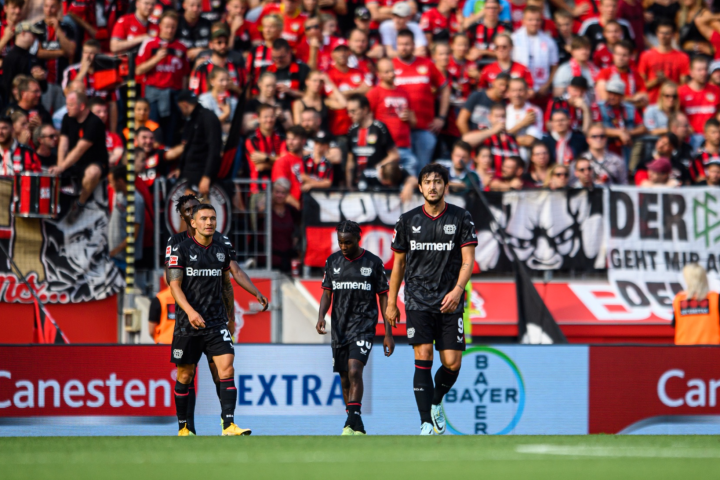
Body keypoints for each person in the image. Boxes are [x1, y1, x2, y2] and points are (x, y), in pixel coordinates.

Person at [386, 163, 477, 436]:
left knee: (452, 363)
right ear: (421, 187)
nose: (433, 186)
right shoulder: (407, 220)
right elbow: (398, 265)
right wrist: (391, 302)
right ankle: (425, 422)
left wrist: (458, 290)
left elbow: (468, 260)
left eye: (438, 181)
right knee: (423, 355)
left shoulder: (461, 218)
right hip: (417, 299)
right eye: (428, 182)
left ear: (445, 186)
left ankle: (436, 402)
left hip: (450, 299)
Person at [167, 203, 250, 436]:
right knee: (185, 375)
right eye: (203, 218)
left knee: (227, 369)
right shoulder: (180, 250)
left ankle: (229, 425)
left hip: (215, 323)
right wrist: (191, 312)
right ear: (193, 223)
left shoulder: (221, 250)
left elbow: (226, 285)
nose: (209, 222)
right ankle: (184, 428)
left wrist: (230, 316)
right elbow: (174, 286)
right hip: (187, 324)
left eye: (212, 218)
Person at [317, 221, 393, 435]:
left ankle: (350, 421)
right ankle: (355, 424)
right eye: (340, 242)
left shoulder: (373, 262)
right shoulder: (332, 261)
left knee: (354, 370)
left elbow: (384, 298)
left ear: (358, 239)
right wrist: (321, 316)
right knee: (343, 376)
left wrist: (388, 333)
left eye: (348, 242)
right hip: (339, 327)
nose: (343, 246)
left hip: (364, 325)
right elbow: (327, 293)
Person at [393, 28, 449, 172]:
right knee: (402, 171)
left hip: (425, 128)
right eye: (400, 44)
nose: (403, 47)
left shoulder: (428, 64)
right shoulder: (391, 66)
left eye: (407, 44)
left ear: (413, 45)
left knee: (422, 171)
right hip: (399, 131)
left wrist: (441, 117)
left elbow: (445, 88)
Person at [50, 91, 108, 223]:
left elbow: (80, 149)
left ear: (81, 106)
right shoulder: (67, 118)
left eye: (70, 105)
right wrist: (60, 166)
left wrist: (62, 166)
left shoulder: (95, 122)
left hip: (94, 161)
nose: (67, 108)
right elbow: (63, 143)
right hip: (74, 163)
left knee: (93, 172)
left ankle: (80, 204)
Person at [137, 11, 189, 148]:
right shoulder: (149, 44)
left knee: (170, 135)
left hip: (174, 96)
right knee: (152, 133)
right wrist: (156, 59)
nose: (170, 30)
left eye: (173, 27)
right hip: (153, 96)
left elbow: (185, 76)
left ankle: (166, 165)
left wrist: (184, 97)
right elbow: (138, 70)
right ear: (160, 26)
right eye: (166, 26)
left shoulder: (181, 48)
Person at [366, 58, 416, 173]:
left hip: (404, 145)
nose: (391, 74)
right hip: (385, 148)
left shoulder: (404, 92)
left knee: (409, 175)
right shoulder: (374, 93)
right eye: (387, 72)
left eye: (393, 71)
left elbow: (414, 122)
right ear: (379, 74)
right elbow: (368, 120)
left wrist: (410, 118)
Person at [172, 90, 225, 199]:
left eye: (180, 108)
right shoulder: (191, 120)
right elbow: (188, 147)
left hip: (200, 174)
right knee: (186, 213)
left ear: (184, 104)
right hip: (189, 174)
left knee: (193, 211)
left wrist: (207, 176)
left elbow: (214, 149)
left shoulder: (208, 118)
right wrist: (180, 167)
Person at [61, 40, 119, 132]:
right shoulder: (71, 71)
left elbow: (113, 104)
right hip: (78, 124)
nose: (87, 56)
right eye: (85, 52)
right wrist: (83, 71)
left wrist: (113, 132)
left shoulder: (107, 72)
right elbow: (67, 94)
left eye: (92, 53)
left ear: (99, 55)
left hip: (100, 125)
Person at [346, 93, 399, 189]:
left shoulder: (380, 128)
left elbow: (394, 155)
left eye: (353, 111)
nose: (350, 115)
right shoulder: (351, 130)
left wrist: (377, 167)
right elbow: (350, 161)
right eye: (348, 111)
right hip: (358, 184)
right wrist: (349, 186)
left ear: (365, 109)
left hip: (378, 183)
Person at [637, 19, 690, 105]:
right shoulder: (646, 55)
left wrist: (666, 80)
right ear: (657, 33)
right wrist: (656, 81)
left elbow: (684, 88)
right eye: (661, 32)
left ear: (673, 35)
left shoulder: (683, 57)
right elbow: (640, 86)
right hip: (651, 103)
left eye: (667, 33)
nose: (663, 36)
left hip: (673, 104)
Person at [511, 6, 558, 99]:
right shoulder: (514, 39)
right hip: (518, 92)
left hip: (541, 90)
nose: (534, 23)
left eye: (537, 20)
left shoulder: (549, 41)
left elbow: (554, 66)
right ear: (523, 20)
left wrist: (547, 85)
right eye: (530, 20)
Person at [190, 25, 245, 97]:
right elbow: (192, 93)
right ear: (211, 45)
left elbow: (246, 96)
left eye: (226, 42)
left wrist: (233, 87)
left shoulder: (237, 67)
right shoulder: (201, 68)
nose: (223, 46)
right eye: (219, 42)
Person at [597, 77, 647, 156]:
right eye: (610, 93)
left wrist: (628, 132)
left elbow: (643, 128)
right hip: (606, 145)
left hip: (626, 145)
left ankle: (632, 168)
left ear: (622, 96)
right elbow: (596, 128)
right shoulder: (599, 107)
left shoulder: (629, 108)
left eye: (615, 94)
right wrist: (619, 133)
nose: (612, 97)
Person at [672, 263, 720, 345]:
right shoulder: (715, 298)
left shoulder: (678, 299)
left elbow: (674, 324)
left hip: (684, 351)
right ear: (704, 277)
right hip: (712, 351)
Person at [679, 56, 720, 150]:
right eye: (699, 70)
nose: (704, 73)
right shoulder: (681, 92)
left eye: (705, 69)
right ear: (691, 72)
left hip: (712, 138)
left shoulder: (716, 91)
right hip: (690, 138)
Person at [108, 164, 144, 269]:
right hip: (114, 256)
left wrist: (114, 252)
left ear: (120, 181)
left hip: (125, 260)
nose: (110, 185)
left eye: (111, 181)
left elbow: (133, 235)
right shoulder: (118, 195)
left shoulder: (136, 200)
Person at [463, 102, 520, 170]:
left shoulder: (511, 139)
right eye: (496, 116)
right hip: (484, 178)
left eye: (503, 116)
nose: (500, 120)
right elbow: (465, 140)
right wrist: (493, 131)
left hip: (504, 179)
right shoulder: (483, 134)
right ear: (490, 117)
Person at [243, 103, 286, 192]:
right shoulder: (251, 140)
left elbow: (285, 162)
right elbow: (260, 166)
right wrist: (277, 161)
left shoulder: (282, 139)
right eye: (265, 117)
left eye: (272, 116)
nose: (269, 120)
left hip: (280, 190)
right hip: (259, 189)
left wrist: (265, 158)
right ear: (258, 119)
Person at [34, 0, 76, 85]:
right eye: (46, 6)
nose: (49, 10)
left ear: (59, 7)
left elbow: (71, 51)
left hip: (63, 80)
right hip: (43, 81)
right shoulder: (36, 27)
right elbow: (39, 53)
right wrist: (62, 52)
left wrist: (57, 29)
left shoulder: (67, 28)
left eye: (52, 7)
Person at [595, 41, 648, 107]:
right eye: (618, 54)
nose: (620, 58)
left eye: (624, 55)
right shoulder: (604, 72)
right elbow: (605, 98)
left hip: (631, 115)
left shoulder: (636, 74)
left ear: (631, 56)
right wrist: (633, 99)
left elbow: (645, 100)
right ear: (613, 55)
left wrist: (624, 102)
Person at [260, 38, 311, 107]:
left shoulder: (302, 69)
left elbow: (311, 97)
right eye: (275, 57)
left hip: (296, 108)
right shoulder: (267, 70)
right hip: (272, 110)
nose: (277, 60)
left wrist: (291, 92)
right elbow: (258, 95)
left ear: (289, 52)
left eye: (281, 57)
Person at [1, 22, 40, 103]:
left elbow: (43, 87)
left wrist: (40, 78)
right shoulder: (10, 58)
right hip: (14, 104)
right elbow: (6, 86)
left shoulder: (32, 57)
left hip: (32, 103)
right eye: (33, 34)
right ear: (23, 33)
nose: (34, 38)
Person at [506, 77, 543, 160]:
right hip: (505, 159)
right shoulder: (504, 110)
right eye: (513, 90)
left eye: (520, 90)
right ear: (508, 93)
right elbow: (499, 138)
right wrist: (523, 123)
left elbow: (529, 141)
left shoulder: (534, 111)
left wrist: (507, 138)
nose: (517, 94)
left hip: (525, 158)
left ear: (527, 92)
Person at [272, 126, 306, 208]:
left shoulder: (309, 160)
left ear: (303, 141)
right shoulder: (282, 161)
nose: (290, 142)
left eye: (294, 139)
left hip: (308, 206)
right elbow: (280, 192)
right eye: (288, 139)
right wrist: (300, 208)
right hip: (290, 209)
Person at [199, 67, 238, 137]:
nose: (225, 83)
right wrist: (226, 114)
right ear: (212, 81)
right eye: (221, 80)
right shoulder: (204, 99)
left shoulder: (233, 100)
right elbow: (206, 124)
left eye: (227, 80)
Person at [89, 98, 124, 167]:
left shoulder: (114, 136)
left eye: (105, 112)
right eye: (98, 112)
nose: (102, 115)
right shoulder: (82, 134)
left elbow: (119, 153)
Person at [689, 119, 720, 183]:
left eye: (719, 132)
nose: (717, 136)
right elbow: (698, 179)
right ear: (705, 135)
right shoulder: (697, 157)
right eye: (713, 132)